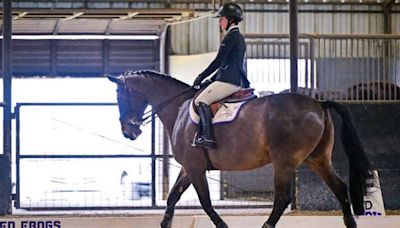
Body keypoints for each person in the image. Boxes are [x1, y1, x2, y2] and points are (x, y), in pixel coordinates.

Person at [192, 2, 250, 149]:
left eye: (221, 19)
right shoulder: (238, 37)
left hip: (228, 81)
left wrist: (201, 76)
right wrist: (210, 80)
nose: (220, 22)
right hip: (231, 79)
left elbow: (218, 61)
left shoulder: (231, 37)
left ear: (230, 20)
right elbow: (227, 63)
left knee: (201, 100)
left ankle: (207, 136)